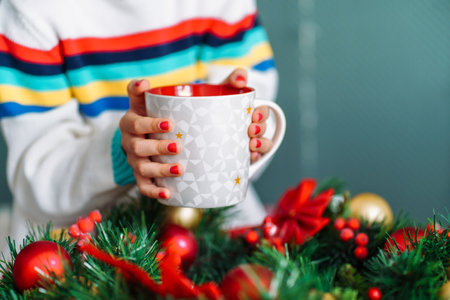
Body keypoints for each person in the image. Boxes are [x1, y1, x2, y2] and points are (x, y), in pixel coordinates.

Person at [0, 0, 278, 254]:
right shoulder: (31, 10)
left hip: (216, 238)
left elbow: (257, 98)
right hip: (79, 256)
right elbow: (36, 178)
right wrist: (123, 151)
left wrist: (237, 136)